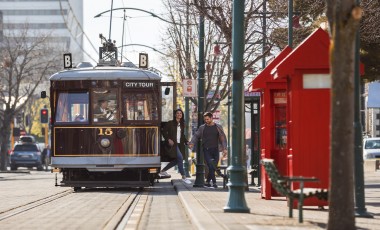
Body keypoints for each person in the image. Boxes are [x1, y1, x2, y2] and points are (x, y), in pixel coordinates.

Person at [188, 112, 228, 188]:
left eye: (207, 119)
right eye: (205, 119)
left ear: (211, 118)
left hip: (216, 150)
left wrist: (224, 149)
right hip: (206, 150)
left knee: (213, 166)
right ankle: (215, 183)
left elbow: (223, 139)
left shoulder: (218, 127)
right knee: (210, 165)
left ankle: (207, 182)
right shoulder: (202, 127)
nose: (206, 121)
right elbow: (196, 135)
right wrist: (192, 143)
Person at [159, 109, 192, 185]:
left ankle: (163, 171)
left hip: (179, 145)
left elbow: (182, 136)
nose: (179, 114)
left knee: (177, 160)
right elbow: (163, 131)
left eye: (180, 113)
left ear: (182, 115)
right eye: (177, 113)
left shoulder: (182, 124)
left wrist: (187, 142)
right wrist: (168, 139)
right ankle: (184, 177)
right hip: (173, 145)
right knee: (180, 158)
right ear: (175, 115)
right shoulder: (170, 123)